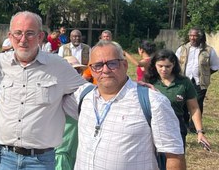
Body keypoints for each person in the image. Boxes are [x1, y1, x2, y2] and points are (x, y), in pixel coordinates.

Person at [0, 11, 85, 170]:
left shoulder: (58, 66)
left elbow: (88, 93)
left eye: (30, 33)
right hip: (4, 157)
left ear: (40, 37)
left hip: (40, 161)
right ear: (10, 37)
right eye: (18, 33)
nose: (23, 39)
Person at [73, 41, 185, 169]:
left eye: (112, 63)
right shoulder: (82, 97)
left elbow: (174, 156)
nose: (105, 70)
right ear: (91, 70)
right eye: (98, 65)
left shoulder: (153, 102)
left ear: (125, 65)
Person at [146, 49, 211, 151]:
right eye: (160, 66)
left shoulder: (184, 83)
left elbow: (194, 108)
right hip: (153, 127)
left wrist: (200, 132)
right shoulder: (149, 82)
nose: (164, 69)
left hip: (176, 127)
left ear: (174, 65)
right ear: (154, 65)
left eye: (168, 66)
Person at [175, 27, 219, 130]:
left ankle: (194, 127)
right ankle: (184, 124)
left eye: (195, 35)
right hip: (184, 80)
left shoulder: (208, 50)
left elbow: (215, 66)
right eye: (190, 35)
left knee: (198, 103)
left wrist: (205, 74)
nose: (192, 38)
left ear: (200, 36)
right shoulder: (182, 49)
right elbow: (175, 63)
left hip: (200, 82)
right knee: (183, 102)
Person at [55, 56, 86, 170]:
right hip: (61, 154)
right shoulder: (58, 95)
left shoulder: (83, 94)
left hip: (76, 154)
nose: (77, 74)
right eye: (73, 70)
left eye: (79, 71)